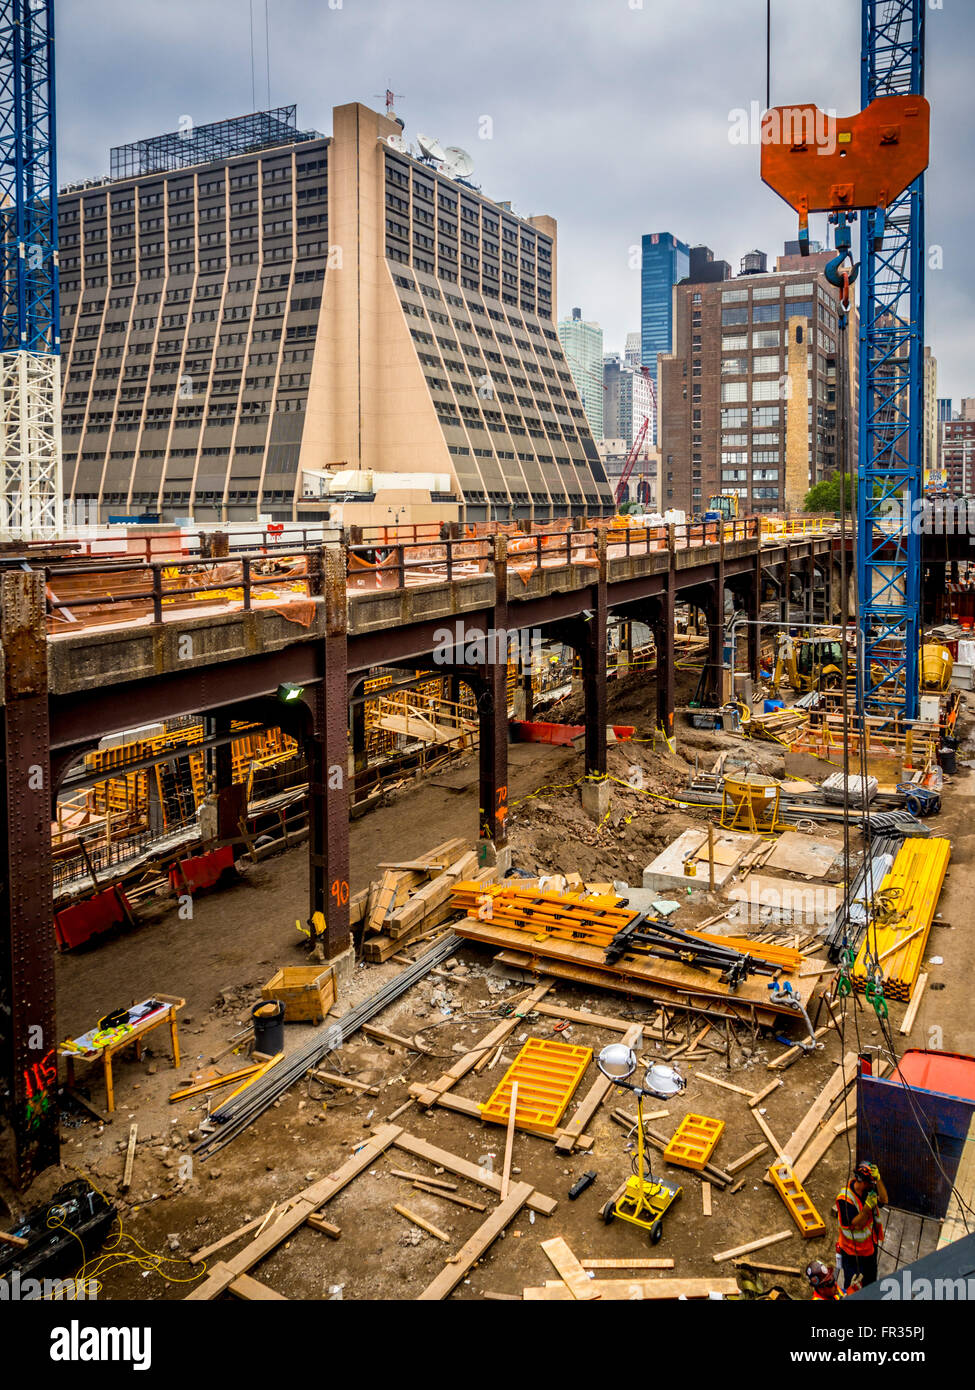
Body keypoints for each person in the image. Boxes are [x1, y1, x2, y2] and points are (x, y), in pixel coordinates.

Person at [835, 1160, 887, 1291]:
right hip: (853, 1253)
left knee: (870, 1282)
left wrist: (878, 1179)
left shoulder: (868, 1190)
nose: (873, 1185)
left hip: (869, 1248)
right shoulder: (845, 1199)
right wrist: (866, 1209)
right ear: (864, 1182)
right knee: (853, 1286)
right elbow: (856, 1225)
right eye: (872, 1182)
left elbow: (884, 1199)